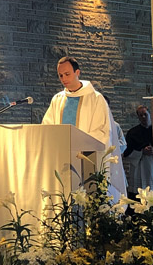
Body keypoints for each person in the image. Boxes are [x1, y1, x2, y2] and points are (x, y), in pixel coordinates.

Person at [42, 56, 126, 199]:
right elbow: (48, 128)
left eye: (67, 74)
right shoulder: (58, 99)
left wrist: (79, 143)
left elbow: (103, 131)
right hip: (62, 158)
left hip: (87, 159)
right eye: (60, 75)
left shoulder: (96, 99)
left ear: (77, 73)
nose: (63, 79)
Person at [123, 105, 153, 199]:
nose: (143, 117)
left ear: (150, 114)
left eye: (145, 114)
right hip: (139, 167)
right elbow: (127, 153)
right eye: (141, 115)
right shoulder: (133, 132)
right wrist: (141, 152)